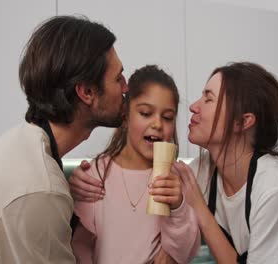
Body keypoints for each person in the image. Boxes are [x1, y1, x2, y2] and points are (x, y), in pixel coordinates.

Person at [71, 62, 278, 263]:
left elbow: (185, 228)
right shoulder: (201, 171)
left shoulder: (276, 190)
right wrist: (80, 181)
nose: (193, 107)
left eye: (208, 98)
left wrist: (198, 207)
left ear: (242, 122)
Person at [0, 15, 128, 264]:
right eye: (118, 78)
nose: (126, 87)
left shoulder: (21, 144)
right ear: (86, 92)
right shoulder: (40, 191)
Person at [70, 65, 200, 264]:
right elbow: (80, 246)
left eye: (167, 117)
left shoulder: (176, 179)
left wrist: (178, 206)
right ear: (125, 116)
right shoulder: (96, 175)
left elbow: (186, 251)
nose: (157, 124)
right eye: (146, 113)